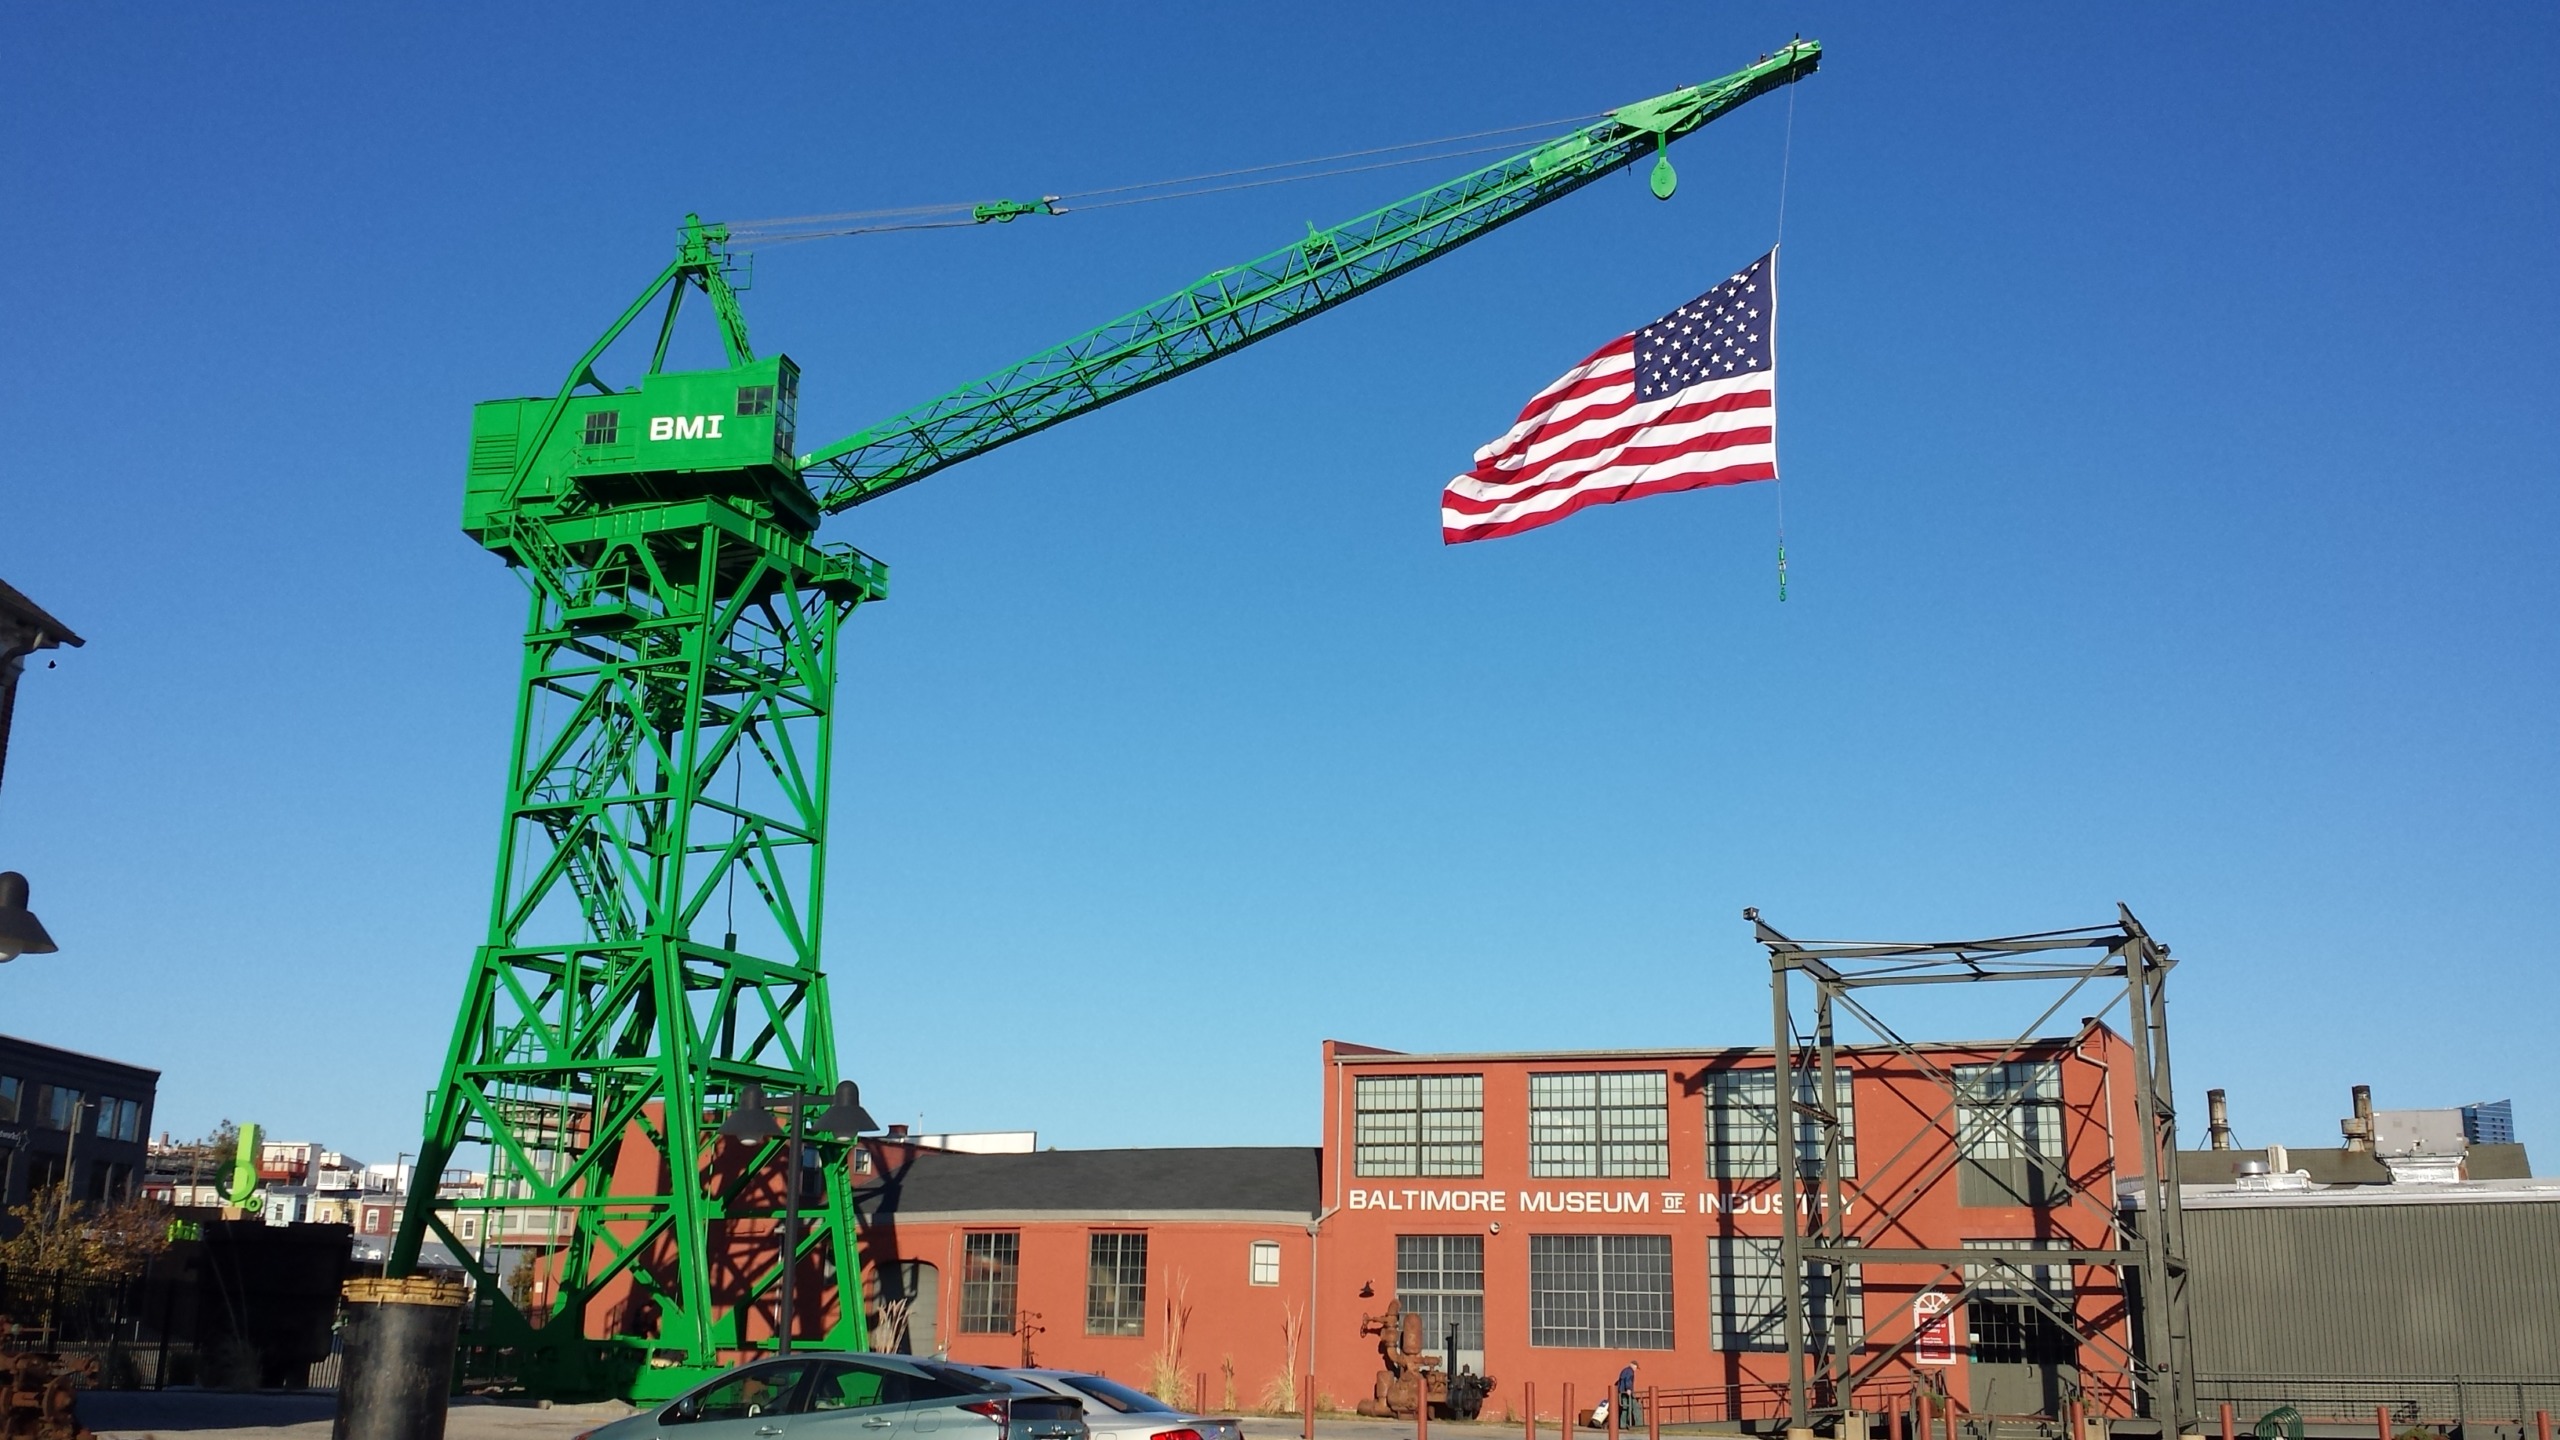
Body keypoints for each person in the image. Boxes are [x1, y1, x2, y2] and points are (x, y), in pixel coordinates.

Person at [1615, 1360, 1642, 1428]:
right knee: (1635, 1407)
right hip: (1627, 1392)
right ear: (1633, 1365)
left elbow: (1622, 1380)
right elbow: (1628, 1380)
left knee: (1625, 1408)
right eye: (1636, 1367)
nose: (1636, 1369)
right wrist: (1628, 1388)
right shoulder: (1630, 1371)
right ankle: (1639, 1425)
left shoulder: (1624, 1370)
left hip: (1622, 1392)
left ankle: (1623, 1425)